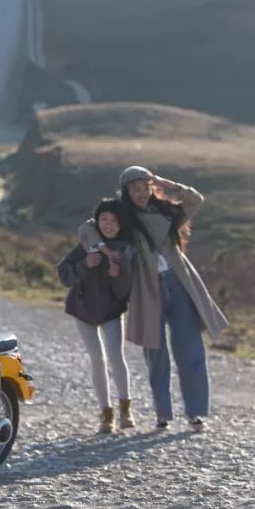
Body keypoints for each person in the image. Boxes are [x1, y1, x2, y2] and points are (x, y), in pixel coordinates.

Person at [79, 166, 228, 431]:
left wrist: (168, 183)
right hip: (146, 288)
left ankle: (196, 413)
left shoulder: (166, 210)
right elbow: (87, 228)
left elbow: (196, 201)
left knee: (190, 348)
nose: (142, 194)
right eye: (136, 189)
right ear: (126, 191)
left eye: (146, 187)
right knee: (155, 352)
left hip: (179, 281)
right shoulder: (122, 216)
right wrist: (103, 249)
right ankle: (163, 414)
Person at [57, 198, 136, 433]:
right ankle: (106, 414)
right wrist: (85, 264)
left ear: (121, 224)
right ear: (97, 221)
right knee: (97, 360)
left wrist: (117, 271)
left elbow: (125, 291)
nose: (109, 224)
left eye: (114, 220)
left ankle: (125, 409)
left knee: (115, 357)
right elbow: (64, 275)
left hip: (111, 311)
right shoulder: (87, 243)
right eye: (104, 219)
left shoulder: (125, 249)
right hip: (83, 310)